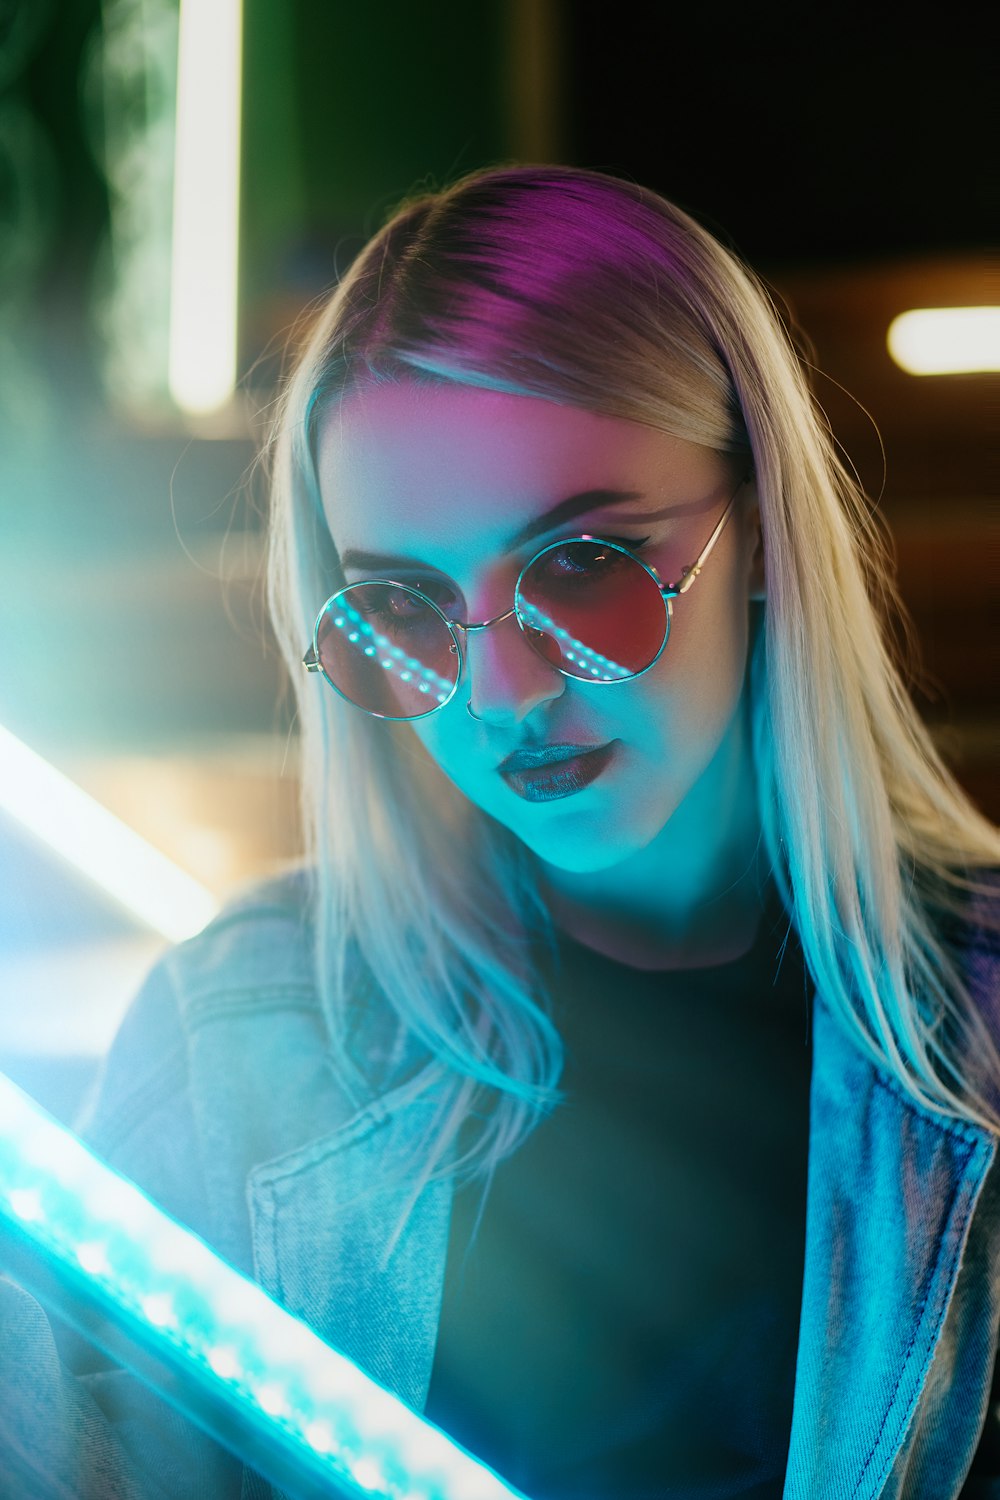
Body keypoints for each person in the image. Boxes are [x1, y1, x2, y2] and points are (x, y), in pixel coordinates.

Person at [2, 162, 998, 1497]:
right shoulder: (245, 1027)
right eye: (405, 609)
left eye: (584, 567)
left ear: (760, 533)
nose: (500, 695)